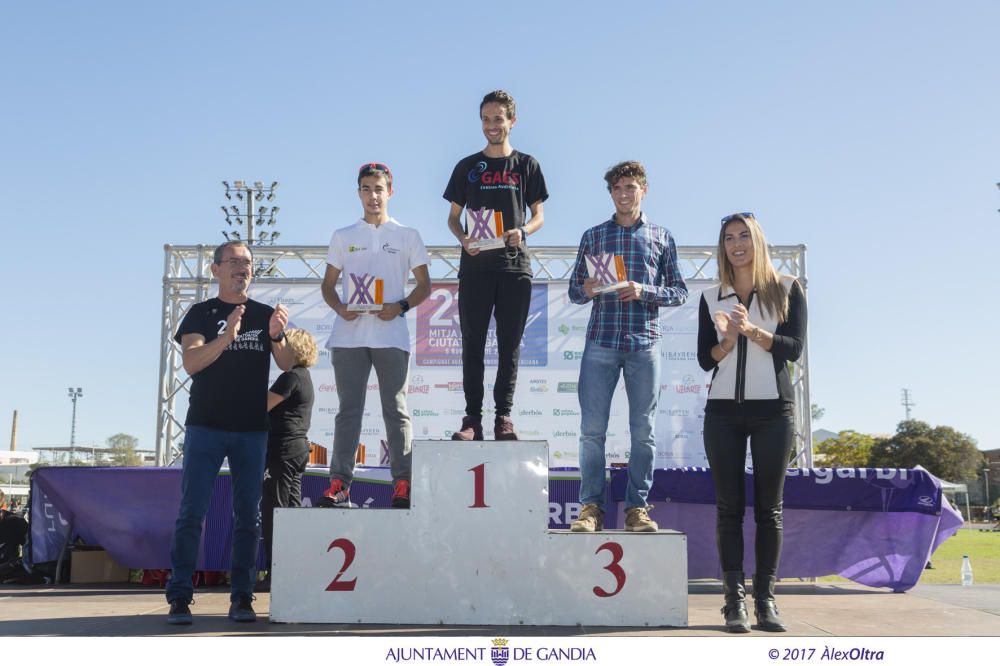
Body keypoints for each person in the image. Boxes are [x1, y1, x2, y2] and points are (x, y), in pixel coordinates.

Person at [165, 240, 294, 625]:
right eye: (234, 261)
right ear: (216, 269)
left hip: (251, 429)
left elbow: (287, 364)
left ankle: (242, 598)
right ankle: (180, 596)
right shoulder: (200, 314)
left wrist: (276, 336)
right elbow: (191, 362)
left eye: (248, 262)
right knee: (192, 512)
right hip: (206, 426)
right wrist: (226, 337)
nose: (242, 268)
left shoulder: (264, 313)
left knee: (248, 518)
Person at [696, 212, 807, 633]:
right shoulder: (711, 295)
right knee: (728, 509)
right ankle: (733, 602)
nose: (736, 244)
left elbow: (793, 348)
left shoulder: (787, 288)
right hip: (722, 414)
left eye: (744, 236)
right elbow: (704, 358)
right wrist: (726, 342)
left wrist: (753, 332)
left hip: (772, 412)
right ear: (722, 246)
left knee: (769, 510)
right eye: (728, 238)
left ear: (757, 241)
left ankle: (766, 599)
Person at [567, 161, 688, 534]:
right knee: (592, 431)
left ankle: (637, 509)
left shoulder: (661, 236)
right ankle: (591, 508)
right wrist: (586, 289)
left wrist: (643, 290)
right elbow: (574, 291)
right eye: (618, 188)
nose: (624, 194)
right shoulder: (594, 235)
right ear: (611, 193)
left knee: (643, 433)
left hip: (644, 343)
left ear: (644, 190)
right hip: (601, 341)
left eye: (631, 187)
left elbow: (679, 291)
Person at [317, 162, 431, 509]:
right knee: (348, 411)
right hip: (348, 335)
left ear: (390, 192)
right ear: (358, 193)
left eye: (378, 189)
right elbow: (327, 285)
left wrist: (400, 306)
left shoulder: (407, 235)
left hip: (391, 334)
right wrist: (340, 308)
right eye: (366, 189)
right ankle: (339, 483)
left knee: (395, 410)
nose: (373, 196)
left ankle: (402, 484)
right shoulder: (343, 235)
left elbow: (425, 286)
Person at [444, 89, 548, 441]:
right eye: (486, 119)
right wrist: (463, 240)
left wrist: (522, 231)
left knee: (510, 343)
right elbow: (453, 219)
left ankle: (503, 417)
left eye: (498, 119)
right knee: (472, 342)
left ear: (512, 121)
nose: (492, 125)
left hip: (514, 267)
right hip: (475, 268)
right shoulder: (467, 166)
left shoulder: (527, 165)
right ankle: (472, 418)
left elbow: (539, 217)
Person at [260, 327, 317, 580]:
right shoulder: (304, 377)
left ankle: (277, 574)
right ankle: (292, 573)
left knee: (277, 513)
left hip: (282, 451)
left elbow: (262, 405)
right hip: (295, 451)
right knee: (291, 512)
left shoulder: (291, 376)